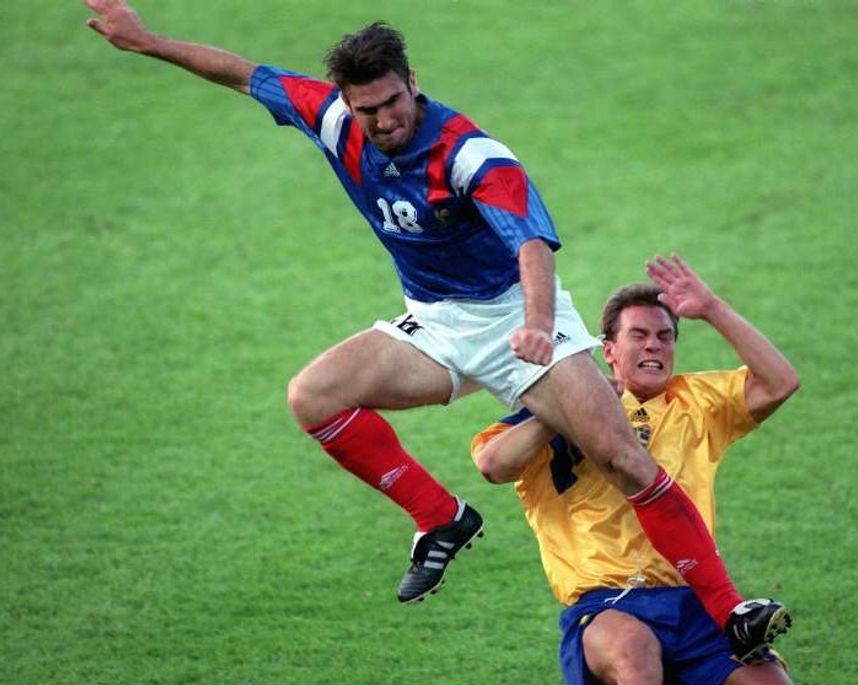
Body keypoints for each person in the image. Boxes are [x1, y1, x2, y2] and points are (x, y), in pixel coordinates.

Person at [83, 0, 787, 657]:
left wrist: (540, 328)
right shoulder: (331, 118)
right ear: (348, 102)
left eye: (392, 101)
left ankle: (729, 609)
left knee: (627, 460)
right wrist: (144, 41)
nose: (384, 120)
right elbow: (242, 73)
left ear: (412, 83)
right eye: (368, 109)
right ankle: (440, 515)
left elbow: (531, 245)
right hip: (437, 322)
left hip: (518, 317)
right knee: (312, 395)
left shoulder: (472, 153)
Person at [472, 254, 800, 683]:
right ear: (607, 349)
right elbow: (492, 463)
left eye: (665, 337)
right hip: (607, 604)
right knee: (634, 652)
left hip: (694, 598)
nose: (654, 345)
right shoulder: (555, 412)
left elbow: (781, 382)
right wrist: (570, 408)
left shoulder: (698, 402)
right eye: (639, 335)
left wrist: (713, 309)